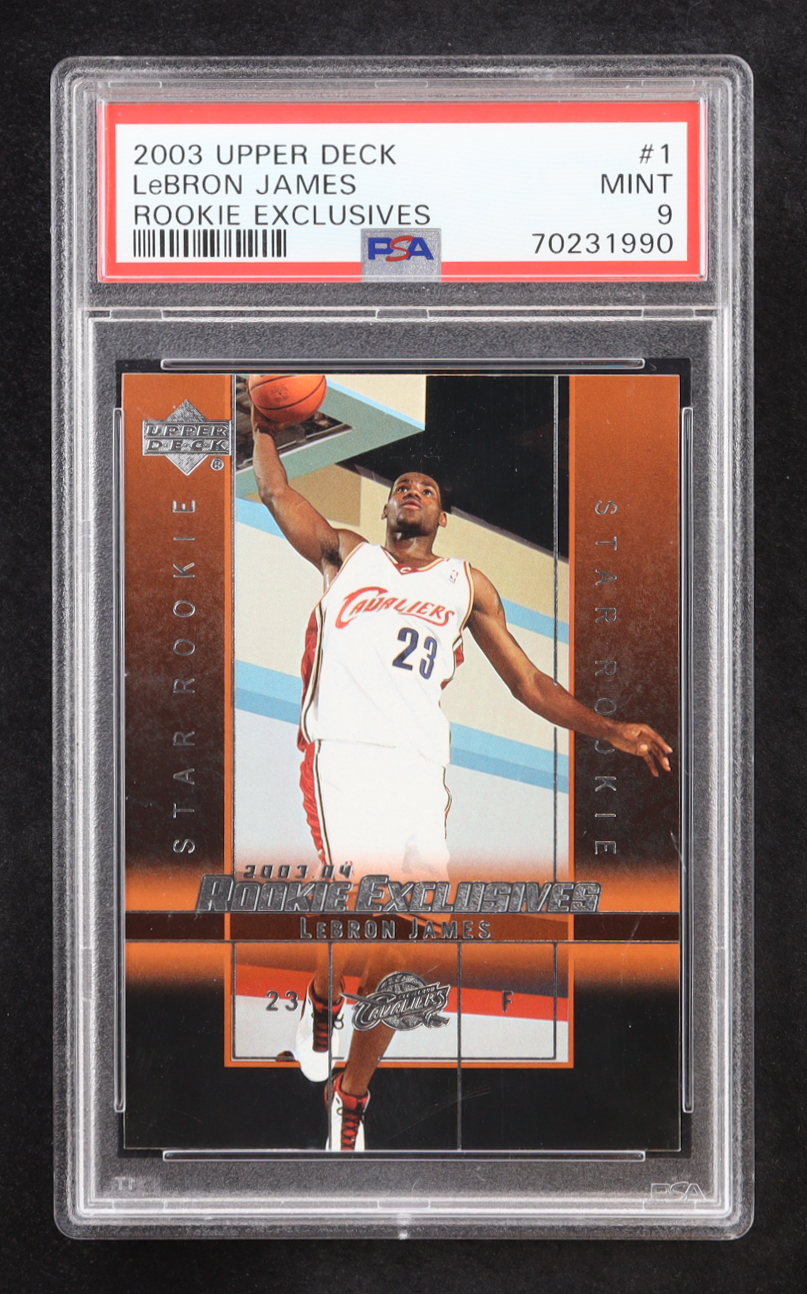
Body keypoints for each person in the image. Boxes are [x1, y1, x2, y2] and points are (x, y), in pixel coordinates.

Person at [251, 402, 672, 1152]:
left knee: (416, 951)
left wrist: (610, 730)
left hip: (420, 771)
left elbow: (528, 682)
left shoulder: (465, 585)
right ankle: (321, 997)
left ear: (442, 517)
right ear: (387, 510)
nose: (411, 491)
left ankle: (350, 1094)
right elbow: (276, 491)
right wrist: (261, 425)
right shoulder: (347, 555)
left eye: (426, 489)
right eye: (400, 487)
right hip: (344, 756)